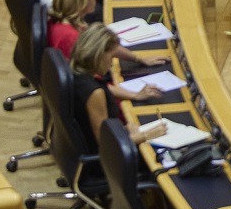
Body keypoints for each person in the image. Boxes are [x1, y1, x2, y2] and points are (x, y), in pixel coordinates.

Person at [68, 24, 167, 156]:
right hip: (106, 163)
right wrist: (147, 135)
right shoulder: (94, 93)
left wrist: (135, 97)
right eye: (111, 56)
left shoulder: (76, 72)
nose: (111, 64)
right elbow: (106, 144)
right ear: (99, 54)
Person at [48, 0, 168, 66]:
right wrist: (136, 95)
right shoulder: (70, 36)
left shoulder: (71, 21)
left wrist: (139, 59)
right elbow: (87, 83)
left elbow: (106, 47)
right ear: (82, 0)